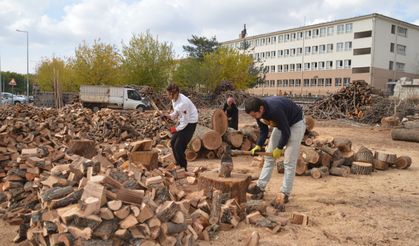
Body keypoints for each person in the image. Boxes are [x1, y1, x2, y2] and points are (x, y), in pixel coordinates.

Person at [244, 96, 305, 204]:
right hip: (282, 124)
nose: (254, 118)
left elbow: (286, 132)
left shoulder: (275, 110)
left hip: (295, 123)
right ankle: (260, 188)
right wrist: (258, 145)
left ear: (261, 109)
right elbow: (263, 131)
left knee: (289, 161)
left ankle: (285, 193)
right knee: (269, 158)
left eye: (254, 115)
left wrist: (280, 148)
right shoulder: (259, 113)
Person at [162, 84, 198, 171]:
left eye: (171, 94)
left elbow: (185, 121)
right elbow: (176, 112)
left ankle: (183, 167)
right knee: (173, 142)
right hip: (184, 120)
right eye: (168, 94)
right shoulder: (174, 99)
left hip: (190, 123)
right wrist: (169, 116)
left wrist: (175, 129)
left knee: (178, 145)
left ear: (177, 93)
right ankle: (178, 163)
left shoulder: (183, 103)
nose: (169, 96)